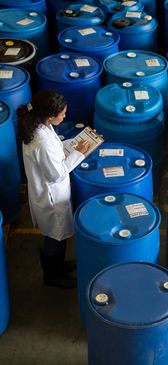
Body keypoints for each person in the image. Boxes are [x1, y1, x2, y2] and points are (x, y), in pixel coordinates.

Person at [17, 89, 90, 289]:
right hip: (51, 197)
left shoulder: (40, 125)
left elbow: (56, 149)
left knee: (57, 235)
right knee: (55, 235)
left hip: (48, 191)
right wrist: (79, 154)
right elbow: (56, 174)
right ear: (50, 115)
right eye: (62, 114)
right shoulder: (41, 141)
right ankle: (52, 275)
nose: (65, 116)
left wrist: (74, 145)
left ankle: (58, 265)